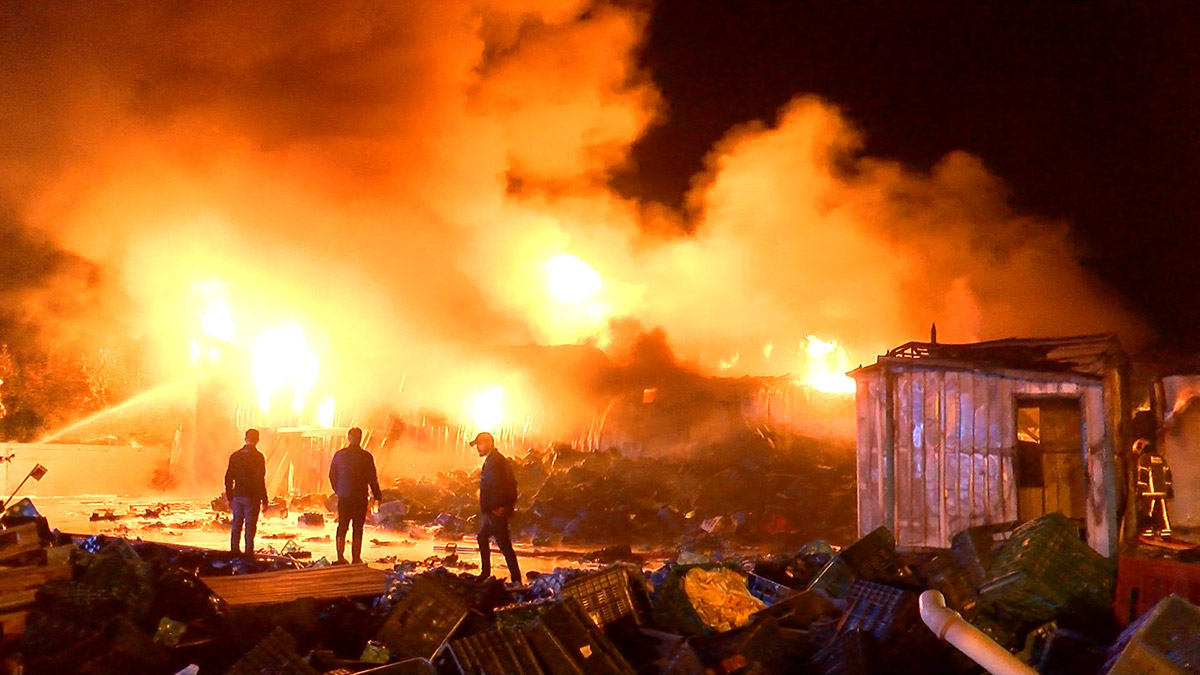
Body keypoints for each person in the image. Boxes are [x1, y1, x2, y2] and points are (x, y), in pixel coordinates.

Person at [471, 431, 521, 584]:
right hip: (492, 510)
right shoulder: (493, 460)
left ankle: (516, 580)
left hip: (497, 510)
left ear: (489, 444)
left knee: (504, 544)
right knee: (483, 537)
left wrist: (502, 506)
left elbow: (505, 486)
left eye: (479, 444)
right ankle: (486, 573)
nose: (477, 448)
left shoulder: (496, 462)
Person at [329, 427, 383, 564]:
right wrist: (377, 496)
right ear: (360, 438)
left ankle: (340, 557)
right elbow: (372, 479)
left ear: (349, 438)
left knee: (342, 525)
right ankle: (356, 558)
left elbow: (332, 475)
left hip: (344, 496)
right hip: (360, 496)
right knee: (358, 528)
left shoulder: (339, 455)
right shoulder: (366, 457)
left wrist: (338, 490)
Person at [224, 428, 268, 556]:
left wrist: (230, 497)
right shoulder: (259, 457)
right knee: (250, 526)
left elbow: (228, 478)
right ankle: (249, 553)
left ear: (245, 439)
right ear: (257, 440)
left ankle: (234, 551)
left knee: (236, 524)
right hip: (253, 497)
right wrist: (265, 500)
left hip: (238, 496)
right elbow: (260, 480)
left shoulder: (235, 456)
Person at [1134, 438, 1175, 537]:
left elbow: (1142, 476)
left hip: (1149, 493)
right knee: (1162, 512)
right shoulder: (1161, 459)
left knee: (1148, 512)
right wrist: (1168, 488)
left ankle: (1147, 532)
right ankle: (1165, 532)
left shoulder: (1143, 459)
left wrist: (1139, 490)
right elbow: (1168, 474)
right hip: (1162, 491)